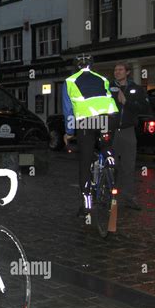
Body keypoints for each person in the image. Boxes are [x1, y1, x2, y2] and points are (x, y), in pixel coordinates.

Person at [62, 54, 119, 218]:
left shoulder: (69, 81)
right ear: (91, 66)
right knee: (106, 145)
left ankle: (87, 204)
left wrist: (69, 132)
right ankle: (109, 157)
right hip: (109, 118)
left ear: (76, 66)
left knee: (85, 162)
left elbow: (68, 111)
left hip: (87, 122)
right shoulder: (103, 78)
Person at [109, 62, 151, 211]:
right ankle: (109, 196)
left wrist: (127, 102)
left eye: (120, 70)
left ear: (127, 72)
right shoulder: (108, 88)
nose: (117, 72)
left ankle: (128, 197)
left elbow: (145, 107)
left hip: (128, 131)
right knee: (111, 165)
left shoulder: (135, 89)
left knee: (128, 166)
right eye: (115, 70)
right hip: (111, 131)